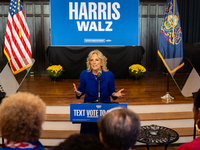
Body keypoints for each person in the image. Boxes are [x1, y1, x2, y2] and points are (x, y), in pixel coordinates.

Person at [73, 50, 125, 134]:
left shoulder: (109, 75)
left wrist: (114, 94)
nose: (94, 62)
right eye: (91, 60)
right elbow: (81, 89)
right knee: (88, 136)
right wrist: (78, 93)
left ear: (102, 62)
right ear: (89, 62)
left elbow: (112, 90)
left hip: (104, 109)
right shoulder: (84, 74)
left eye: (97, 60)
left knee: (103, 134)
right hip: (89, 109)